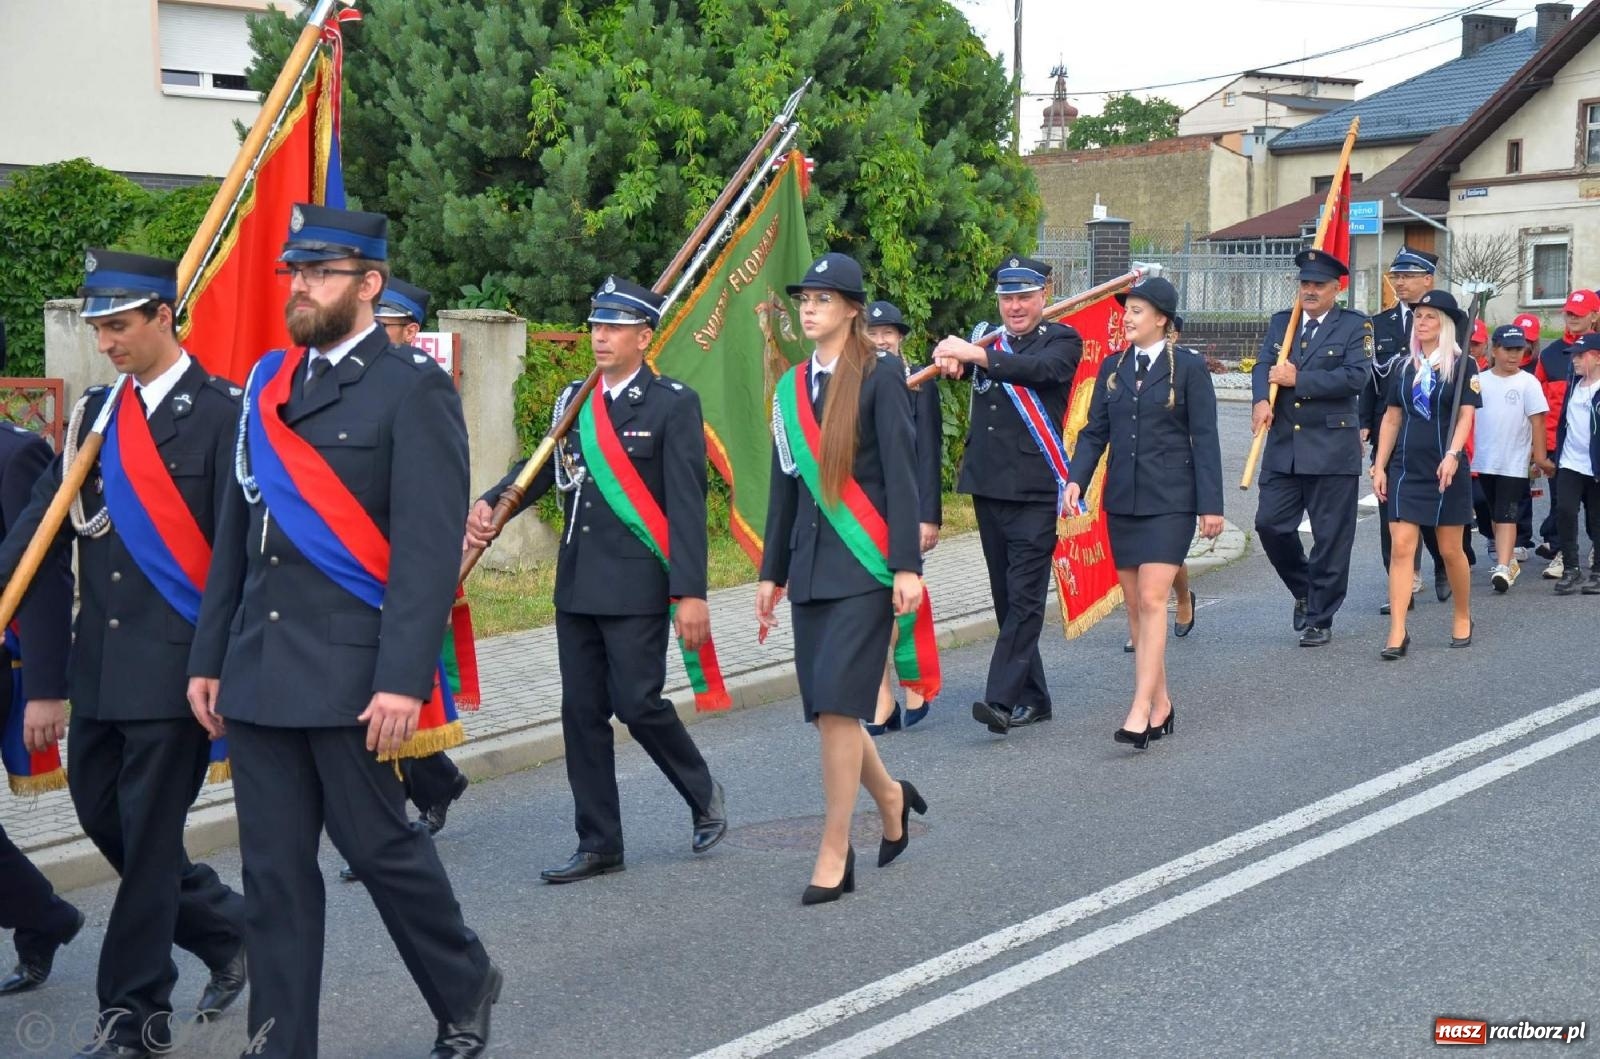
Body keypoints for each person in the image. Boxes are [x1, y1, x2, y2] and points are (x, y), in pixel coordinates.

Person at [187, 205, 499, 1058]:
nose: (302, 288)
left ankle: (464, 980)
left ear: (369, 285)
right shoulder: (269, 383)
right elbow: (237, 536)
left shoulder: (412, 390)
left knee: (382, 847)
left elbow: (427, 550)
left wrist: (403, 677)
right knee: (275, 877)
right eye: (296, 274)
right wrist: (209, 656)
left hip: (353, 673)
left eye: (321, 274)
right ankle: (281, 1042)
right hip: (258, 670)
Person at [0, 250, 248, 1058]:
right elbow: (36, 543)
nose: (104, 342)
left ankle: (135, 1017)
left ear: (163, 317)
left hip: (179, 670)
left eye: (118, 325)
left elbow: (236, 562)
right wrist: (45, 681)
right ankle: (228, 930)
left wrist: (219, 663)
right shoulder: (91, 419)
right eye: (97, 326)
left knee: (145, 843)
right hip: (98, 673)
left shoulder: (222, 413)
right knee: (106, 821)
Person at [466, 275, 727, 882]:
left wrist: (691, 592)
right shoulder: (574, 401)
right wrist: (492, 501)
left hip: (637, 583)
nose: (599, 337)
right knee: (581, 712)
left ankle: (703, 790)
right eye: (595, 326)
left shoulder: (672, 404)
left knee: (637, 703)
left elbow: (686, 507)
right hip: (578, 583)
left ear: (644, 335)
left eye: (613, 327)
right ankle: (599, 841)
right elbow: (541, 466)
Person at [757, 252, 928, 904]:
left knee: (837, 705)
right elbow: (785, 486)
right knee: (830, 707)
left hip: (864, 567)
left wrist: (907, 566)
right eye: (805, 298)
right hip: (808, 565)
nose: (809, 308)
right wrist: (771, 573)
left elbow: (902, 476)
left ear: (853, 310)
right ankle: (890, 796)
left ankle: (835, 848)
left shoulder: (881, 377)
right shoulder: (790, 387)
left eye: (824, 300)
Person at [339, 277, 469, 884]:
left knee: (406, 693)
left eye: (387, 323)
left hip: (402, 560)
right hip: (356, 564)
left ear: (409, 330)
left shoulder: (418, 381)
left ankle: (401, 815)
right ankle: (426, 788)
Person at [1065, 276, 1223, 749]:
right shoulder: (1114, 366)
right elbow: (1095, 433)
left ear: (1162, 320)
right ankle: (1163, 702)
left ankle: (1138, 708)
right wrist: (1076, 478)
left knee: (1154, 600)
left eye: (1136, 310)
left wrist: (1211, 507)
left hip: (1171, 502)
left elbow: (1206, 437)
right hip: (1124, 502)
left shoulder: (1188, 369)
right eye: (1126, 310)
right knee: (1135, 607)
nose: (1127, 318)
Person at [933, 256, 1082, 733]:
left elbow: (1038, 371)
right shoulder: (984, 337)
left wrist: (976, 354)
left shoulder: (1062, 340)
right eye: (1007, 298)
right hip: (988, 485)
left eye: (1024, 296)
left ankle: (1000, 699)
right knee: (1004, 597)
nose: (1015, 306)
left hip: (1036, 490)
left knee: (1025, 598)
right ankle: (1035, 698)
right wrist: (949, 357)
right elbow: (965, 366)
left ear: (1045, 295)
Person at [0, 419, 83, 997]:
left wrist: (45, 688)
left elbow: (45, 571)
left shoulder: (15, 452)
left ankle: (43, 916)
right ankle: (44, 916)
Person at [1251, 249, 1370, 646]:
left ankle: (1321, 616)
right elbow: (1263, 366)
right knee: (1270, 524)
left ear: (1337, 289)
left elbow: (1356, 377)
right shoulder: (1283, 323)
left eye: (1319, 285)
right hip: (1285, 445)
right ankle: (1304, 589)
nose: (1311, 291)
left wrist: (1298, 380)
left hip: (1332, 446)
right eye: (1305, 284)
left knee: (1330, 537)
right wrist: (1260, 400)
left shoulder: (1355, 326)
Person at [1371, 290, 1480, 658]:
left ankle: (1463, 614)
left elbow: (1465, 415)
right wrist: (1379, 465)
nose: (1422, 322)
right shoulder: (1404, 366)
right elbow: (1391, 417)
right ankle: (1398, 631)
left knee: (1451, 551)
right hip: (1406, 466)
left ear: (1446, 323)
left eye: (1431, 316)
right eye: (1419, 316)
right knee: (1402, 548)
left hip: (1445, 467)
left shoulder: (1462, 365)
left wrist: (1453, 454)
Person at [864, 299, 940, 734]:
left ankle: (913, 684)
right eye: (873, 334)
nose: (880, 340)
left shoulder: (919, 381)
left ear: (901, 338)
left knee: (901, 605)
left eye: (888, 333)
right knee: (873, 606)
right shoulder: (852, 380)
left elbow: (928, 452)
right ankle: (882, 696)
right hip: (865, 514)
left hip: (906, 509)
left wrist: (928, 516)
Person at [1364, 247, 1450, 612]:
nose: (1399, 282)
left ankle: (1445, 563)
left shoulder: (1447, 322)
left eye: (1408, 275)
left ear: (1427, 279)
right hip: (1390, 426)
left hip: (1432, 430)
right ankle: (1401, 582)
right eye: (1395, 276)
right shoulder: (1377, 324)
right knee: (1391, 508)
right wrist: (1363, 421)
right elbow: (1369, 378)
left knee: (1432, 506)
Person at [1471, 325, 1550, 592]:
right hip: (1484, 459)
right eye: (1508, 349)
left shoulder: (1528, 382)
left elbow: (1537, 422)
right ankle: (1508, 560)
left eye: (1519, 350)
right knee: (1494, 511)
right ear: (1494, 350)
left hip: (1514, 461)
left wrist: (1539, 458)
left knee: (1506, 513)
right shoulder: (1480, 380)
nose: (1514, 355)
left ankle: (1503, 567)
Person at [1533, 290, 1599, 579]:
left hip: (1594, 449)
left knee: (1596, 510)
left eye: (1578, 314)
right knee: (1564, 507)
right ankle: (1564, 554)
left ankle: (1596, 552)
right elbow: (1536, 403)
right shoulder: (1551, 354)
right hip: (1561, 448)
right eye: (1568, 313)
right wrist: (1539, 451)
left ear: (1594, 316)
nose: (1571, 318)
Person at [1550, 332, 1600, 595]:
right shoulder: (1573, 384)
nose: (1575, 361)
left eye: (1581, 356)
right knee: (1566, 511)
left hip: (1595, 465)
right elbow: (1563, 423)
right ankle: (1571, 567)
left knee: (1596, 518)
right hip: (1570, 461)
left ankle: (1599, 572)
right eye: (1573, 356)